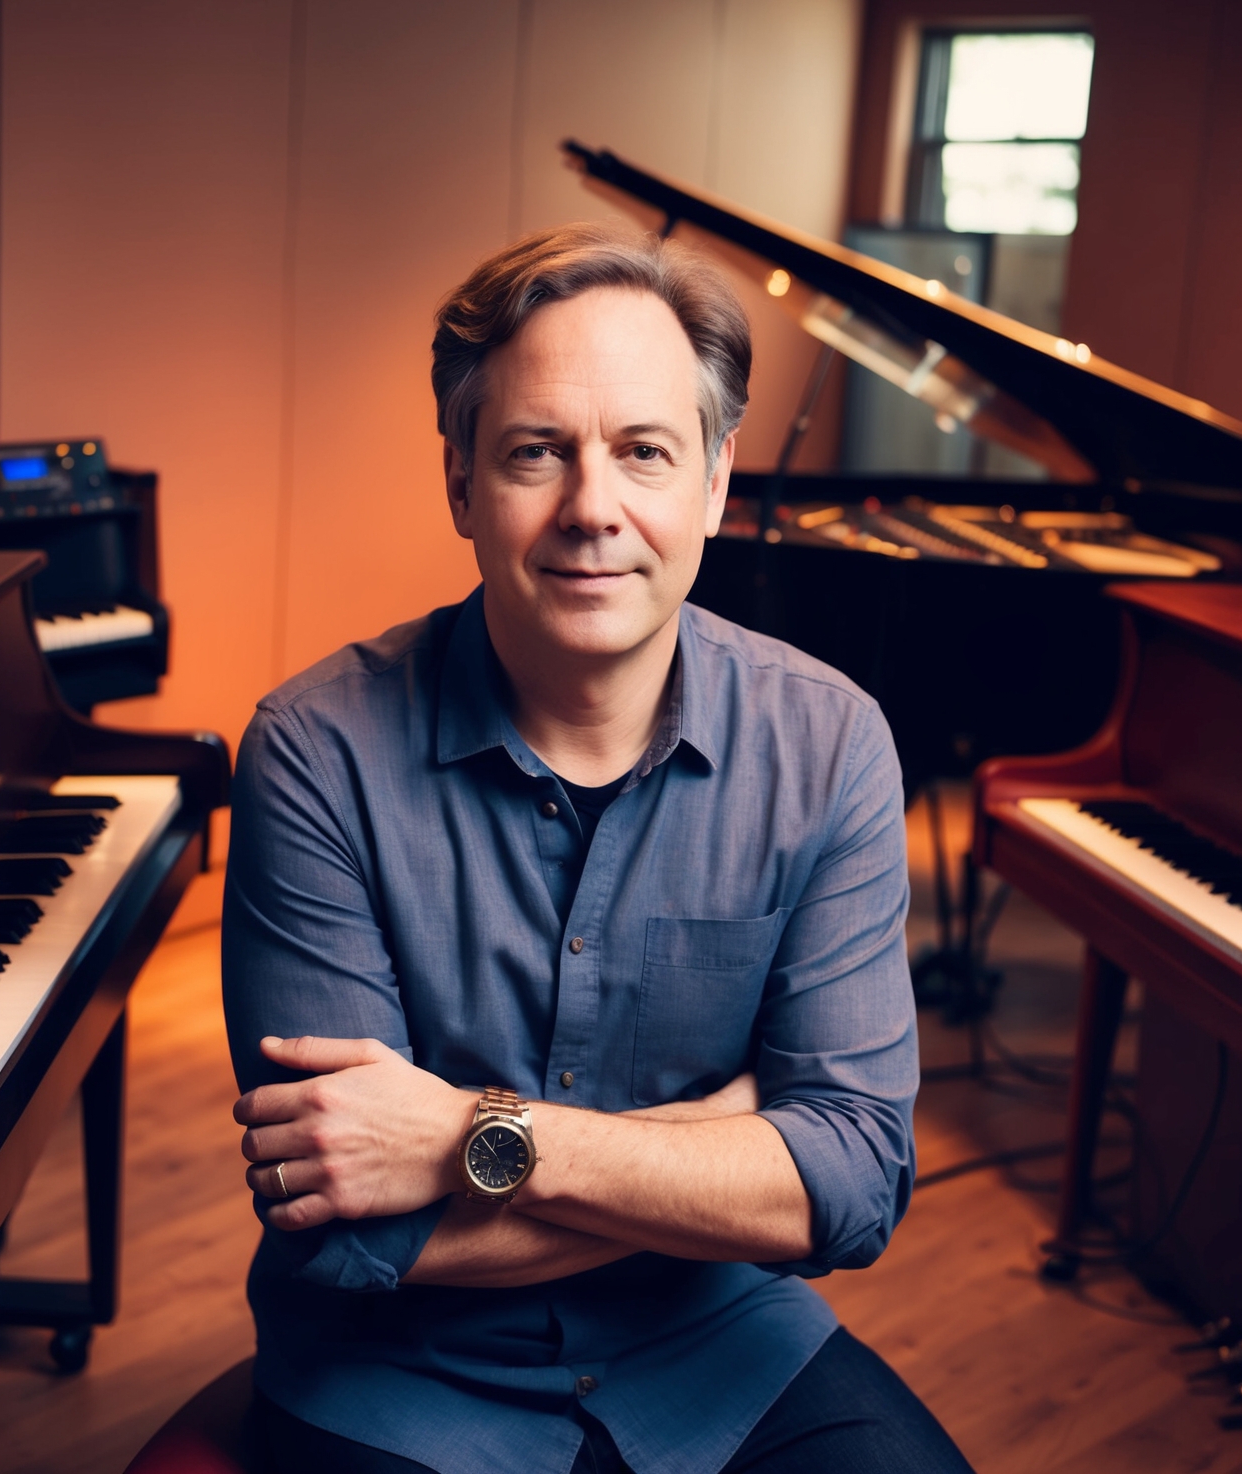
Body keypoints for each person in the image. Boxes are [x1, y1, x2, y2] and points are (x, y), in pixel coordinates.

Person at [222, 225, 972, 1474]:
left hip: (721, 1341)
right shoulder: (314, 753)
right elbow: (338, 1238)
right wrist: (724, 1151)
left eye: (644, 453)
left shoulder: (832, 744)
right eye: (535, 452)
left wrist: (465, 1138)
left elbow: (849, 1189)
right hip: (392, 1369)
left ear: (716, 481)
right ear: (460, 479)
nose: (592, 509)